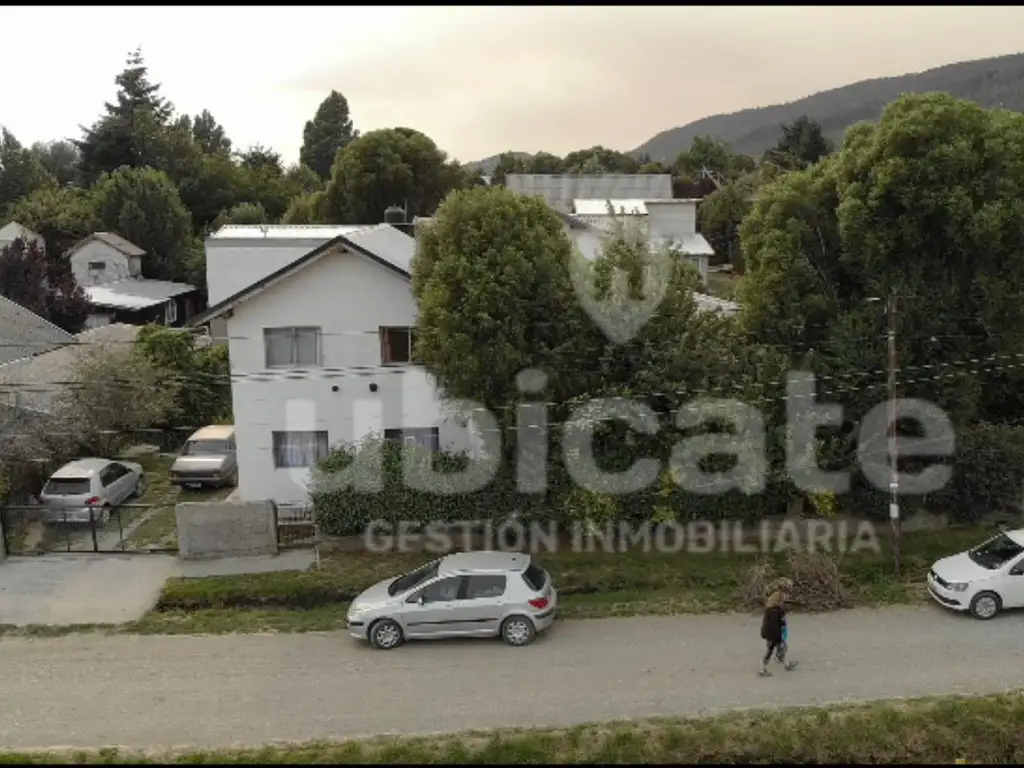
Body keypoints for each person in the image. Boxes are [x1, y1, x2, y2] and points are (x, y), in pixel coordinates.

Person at [760, 578, 797, 676]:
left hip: (772, 633)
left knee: (781, 648)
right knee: (772, 650)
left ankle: (786, 664)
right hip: (773, 634)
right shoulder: (774, 611)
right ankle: (763, 669)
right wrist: (778, 636)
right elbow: (773, 625)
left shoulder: (773, 609)